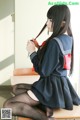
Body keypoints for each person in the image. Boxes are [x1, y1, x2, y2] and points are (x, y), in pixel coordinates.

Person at [3, 5, 80, 120]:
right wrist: (40, 48)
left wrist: (32, 53)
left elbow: (43, 71)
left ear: (63, 22)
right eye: (48, 19)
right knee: (16, 88)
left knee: (7, 105)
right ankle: (45, 105)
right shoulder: (68, 38)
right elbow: (54, 61)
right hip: (60, 87)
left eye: (51, 20)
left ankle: (45, 118)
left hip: (50, 87)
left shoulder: (54, 42)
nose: (47, 23)